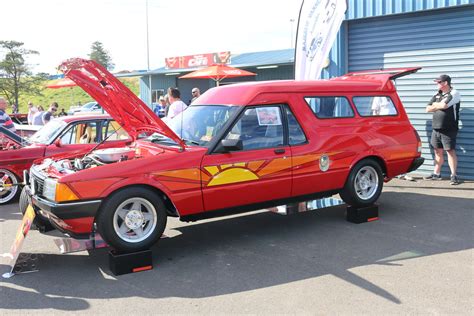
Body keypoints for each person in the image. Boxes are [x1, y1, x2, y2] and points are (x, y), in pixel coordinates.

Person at [424, 74, 461, 185]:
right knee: (437, 151)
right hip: (436, 128)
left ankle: (454, 176)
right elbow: (427, 108)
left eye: (439, 82)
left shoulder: (454, 93)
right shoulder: (437, 94)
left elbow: (444, 106)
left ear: (445, 83)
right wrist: (437, 105)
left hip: (449, 129)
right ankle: (437, 174)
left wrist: (436, 105)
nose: (437, 84)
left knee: (450, 151)